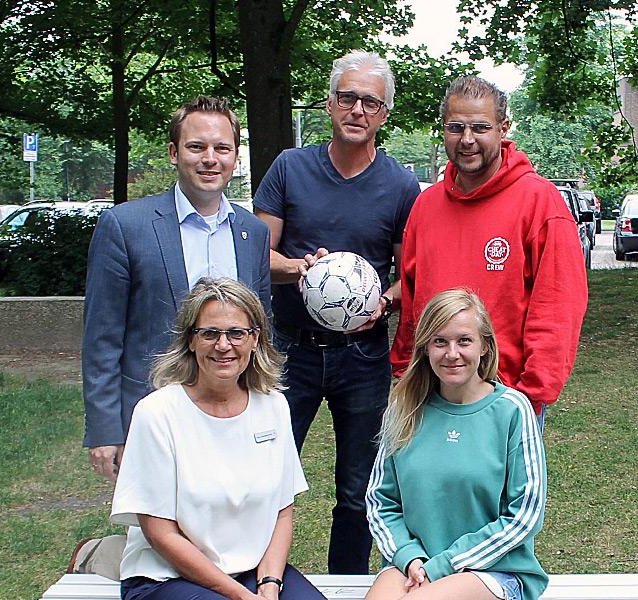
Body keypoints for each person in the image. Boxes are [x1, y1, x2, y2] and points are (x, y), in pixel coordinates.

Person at [252, 50, 421, 574]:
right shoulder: (290, 167)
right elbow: (258, 254)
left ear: (384, 114)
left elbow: (408, 272)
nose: (357, 109)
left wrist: (382, 303)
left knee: (357, 491)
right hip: (288, 353)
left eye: (370, 101)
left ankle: (347, 583)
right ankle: (249, 579)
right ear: (329, 104)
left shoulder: (400, 185)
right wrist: (300, 269)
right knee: (264, 479)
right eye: (347, 97)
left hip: (362, 358)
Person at [83, 96, 271, 481]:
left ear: (235, 158)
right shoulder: (125, 226)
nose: (210, 158)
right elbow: (102, 338)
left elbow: (263, 333)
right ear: (174, 152)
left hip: (234, 411)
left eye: (222, 148)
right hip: (153, 409)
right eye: (196, 146)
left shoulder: (253, 233)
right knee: (155, 532)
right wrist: (106, 429)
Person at [391, 76, 588, 428]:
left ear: (503, 128)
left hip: (505, 398)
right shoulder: (426, 206)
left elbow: (558, 307)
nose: (467, 140)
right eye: (456, 127)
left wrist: (531, 396)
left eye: (480, 127)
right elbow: (413, 300)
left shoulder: (540, 203)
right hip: (429, 395)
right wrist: (405, 370)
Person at [110, 278, 324, 600]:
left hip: (253, 572)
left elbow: (283, 509)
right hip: (166, 576)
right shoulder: (156, 413)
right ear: (190, 341)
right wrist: (240, 597)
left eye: (237, 333)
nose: (223, 345)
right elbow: (161, 534)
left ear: (255, 340)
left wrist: (269, 585)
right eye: (209, 333)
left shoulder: (274, 406)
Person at [366, 289, 548, 600]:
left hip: (492, 568)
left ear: (484, 347)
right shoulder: (405, 408)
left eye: (464, 341)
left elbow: (525, 514)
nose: (452, 353)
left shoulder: (512, 410)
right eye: (440, 341)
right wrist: (410, 557)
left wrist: (445, 565)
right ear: (425, 348)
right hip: (413, 564)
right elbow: (380, 502)